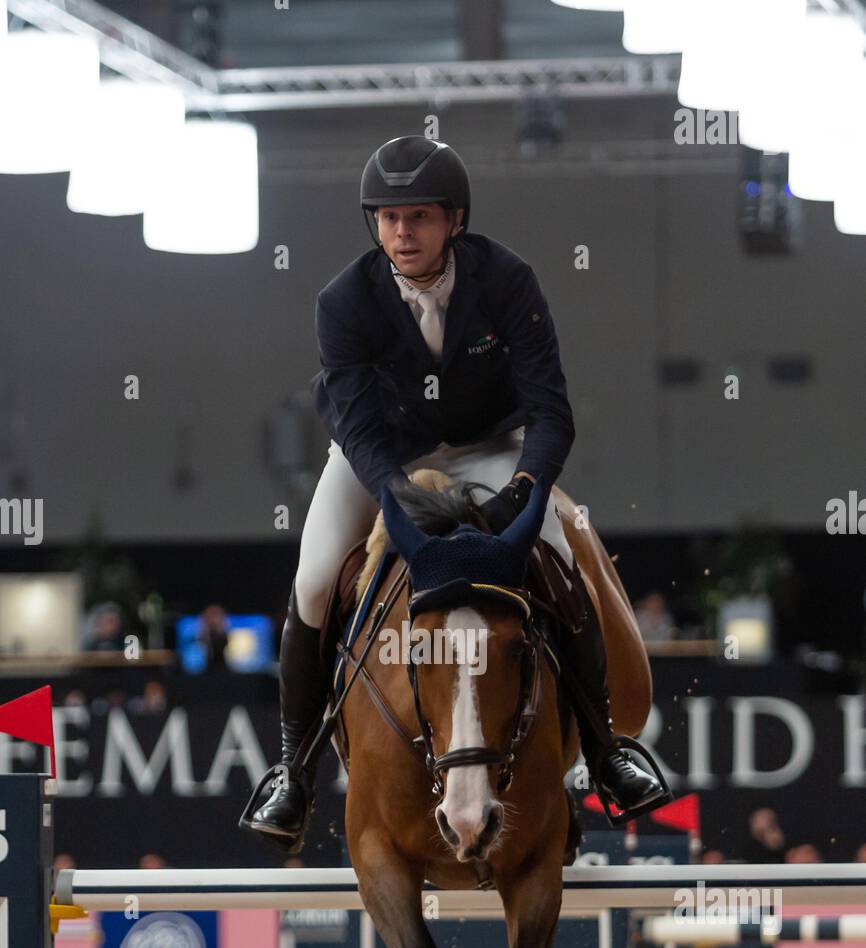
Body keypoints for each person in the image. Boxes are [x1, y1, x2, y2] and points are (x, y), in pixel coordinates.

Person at [241, 135, 666, 850]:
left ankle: (604, 755)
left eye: (419, 217)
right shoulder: (343, 301)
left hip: (491, 446)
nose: (402, 233)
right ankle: (294, 771)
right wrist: (399, 503)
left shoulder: (507, 281)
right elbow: (362, 430)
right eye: (387, 218)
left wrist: (527, 491)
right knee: (314, 582)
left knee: (559, 564)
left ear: (455, 221)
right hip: (381, 455)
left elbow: (550, 410)